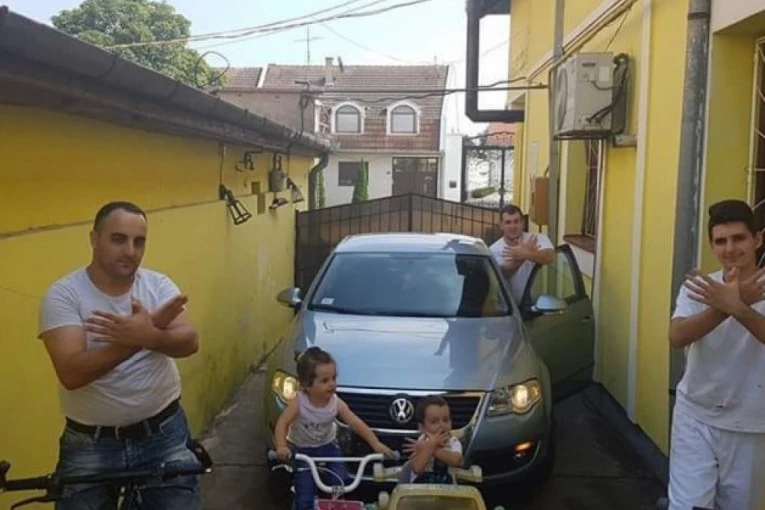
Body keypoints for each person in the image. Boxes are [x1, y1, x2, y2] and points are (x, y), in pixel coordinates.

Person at [37, 201, 201, 510]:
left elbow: (190, 341)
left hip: (163, 434)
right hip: (90, 444)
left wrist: (150, 335)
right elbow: (72, 373)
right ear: (94, 239)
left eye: (139, 241)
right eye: (118, 239)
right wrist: (140, 338)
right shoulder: (64, 295)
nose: (130, 250)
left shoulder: (157, 284)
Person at [668, 199, 765, 510]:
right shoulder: (700, 288)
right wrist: (726, 306)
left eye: (739, 238)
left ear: (757, 239)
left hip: (752, 424)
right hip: (695, 415)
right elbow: (677, 336)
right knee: (687, 505)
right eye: (721, 241)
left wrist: (738, 306)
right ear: (711, 246)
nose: (730, 248)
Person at [273, 346, 394, 510]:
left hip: (328, 447)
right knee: (305, 494)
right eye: (325, 381)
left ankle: (332, 503)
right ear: (307, 385)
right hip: (303, 449)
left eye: (333, 378)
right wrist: (281, 446)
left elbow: (355, 422)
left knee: (339, 483)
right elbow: (282, 423)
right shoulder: (300, 402)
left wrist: (376, 444)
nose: (332, 384)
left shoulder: (335, 403)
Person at [489, 204, 555, 304]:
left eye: (516, 221)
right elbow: (501, 274)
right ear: (501, 226)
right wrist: (522, 257)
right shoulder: (493, 250)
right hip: (508, 308)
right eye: (508, 222)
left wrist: (527, 254)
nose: (512, 226)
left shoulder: (536, 239)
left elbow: (550, 256)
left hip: (536, 305)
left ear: (523, 223)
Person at [402, 395, 464, 484]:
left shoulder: (453, 441)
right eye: (434, 422)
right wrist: (429, 446)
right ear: (422, 427)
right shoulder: (421, 441)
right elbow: (417, 468)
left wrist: (432, 447)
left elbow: (457, 461)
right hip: (419, 490)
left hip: (448, 490)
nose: (442, 425)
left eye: (446, 420)